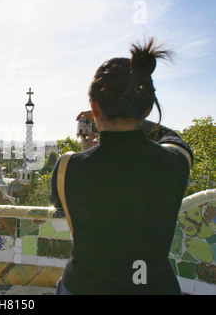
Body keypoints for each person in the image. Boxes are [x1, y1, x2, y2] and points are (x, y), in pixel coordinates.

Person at [50, 38, 193, 295]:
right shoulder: (175, 163)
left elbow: (69, 208)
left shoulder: (66, 167)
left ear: (93, 105)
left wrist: (92, 141)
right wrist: (133, 116)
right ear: (149, 108)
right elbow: (173, 139)